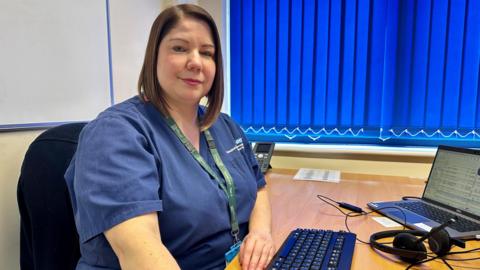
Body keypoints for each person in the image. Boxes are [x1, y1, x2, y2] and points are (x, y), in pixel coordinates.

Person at [64, 4, 274, 270]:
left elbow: (259, 187)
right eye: (179, 48)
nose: (196, 61)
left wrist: (261, 233)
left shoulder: (224, 125)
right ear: (154, 57)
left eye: (207, 53)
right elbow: (141, 256)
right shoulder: (114, 134)